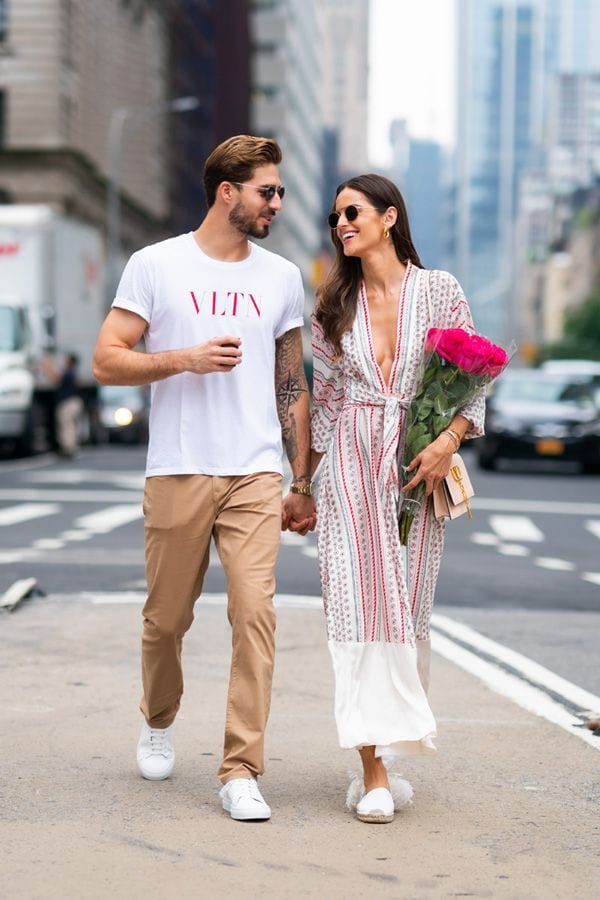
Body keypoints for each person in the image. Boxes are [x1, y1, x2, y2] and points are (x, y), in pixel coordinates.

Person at [93, 135, 315, 822]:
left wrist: (300, 479)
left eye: (278, 191)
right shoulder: (155, 264)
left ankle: (241, 768)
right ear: (228, 192)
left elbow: (292, 384)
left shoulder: (280, 277)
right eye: (266, 191)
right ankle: (158, 718)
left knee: (256, 617)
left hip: (253, 472)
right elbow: (107, 359)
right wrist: (183, 358)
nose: (277, 202)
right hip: (180, 468)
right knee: (167, 621)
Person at [309, 174, 485, 824]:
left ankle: (388, 744)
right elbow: (325, 402)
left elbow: (475, 379)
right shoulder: (333, 302)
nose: (341, 224)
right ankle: (373, 771)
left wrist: (448, 441)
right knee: (355, 614)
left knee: (403, 615)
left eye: (351, 212)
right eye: (335, 217)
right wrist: (302, 485)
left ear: (389, 216)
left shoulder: (440, 290)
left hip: (416, 468)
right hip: (351, 467)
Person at [42, 351, 84, 457]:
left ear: (71, 361)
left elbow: (55, 378)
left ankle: (68, 449)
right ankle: (71, 447)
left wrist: (47, 365)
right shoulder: (72, 372)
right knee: (70, 425)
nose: (64, 361)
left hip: (68, 403)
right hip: (73, 402)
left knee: (66, 425)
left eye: (66, 359)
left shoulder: (69, 373)